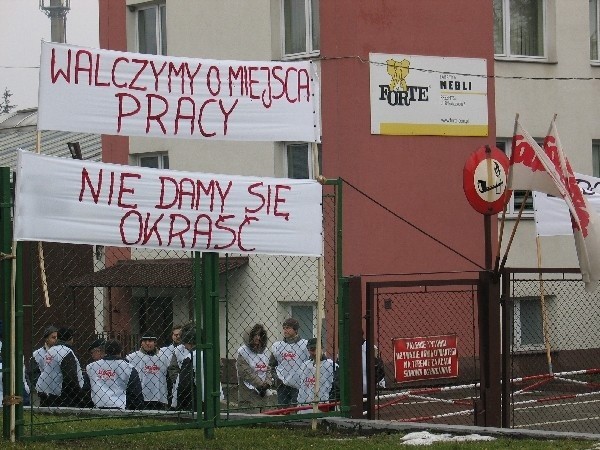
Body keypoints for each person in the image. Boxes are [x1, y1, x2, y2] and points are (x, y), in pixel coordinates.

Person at [172, 324, 224, 411]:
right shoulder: (210, 353)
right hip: (211, 395)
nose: (184, 346)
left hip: (194, 399)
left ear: (190, 342)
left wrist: (180, 404)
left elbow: (184, 384)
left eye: (185, 343)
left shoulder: (190, 358)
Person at [86, 339, 144, 410]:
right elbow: (135, 392)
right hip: (121, 407)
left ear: (105, 350)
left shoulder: (91, 367)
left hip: (98, 405)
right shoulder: (129, 368)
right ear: (120, 351)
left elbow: (86, 389)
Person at [35, 327, 85, 407]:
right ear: (71, 339)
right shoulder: (66, 352)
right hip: (64, 395)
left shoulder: (51, 351)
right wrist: (79, 394)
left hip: (50, 391)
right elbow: (70, 377)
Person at [291, 338, 338, 414]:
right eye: (311, 350)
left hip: (323, 407)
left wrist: (329, 404)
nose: (314, 352)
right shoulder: (304, 366)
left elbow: (337, 389)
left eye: (316, 349)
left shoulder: (331, 366)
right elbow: (299, 386)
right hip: (304, 407)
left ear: (321, 348)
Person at [269, 318, 309, 406]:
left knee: (297, 410)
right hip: (282, 384)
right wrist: (277, 378)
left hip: (299, 384)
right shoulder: (278, 346)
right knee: (283, 411)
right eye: (284, 328)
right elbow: (272, 365)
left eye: (288, 328)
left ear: (295, 329)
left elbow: (310, 364)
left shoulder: (305, 345)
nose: (285, 330)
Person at [126, 332, 169, 410]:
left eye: (150, 341)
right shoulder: (132, 357)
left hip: (159, 397)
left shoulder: (163, 357)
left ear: (155, 343)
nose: (147, 343)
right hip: (140, 397)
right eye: (144, 341)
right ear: (141, 343)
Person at [236, 323, 274, 413]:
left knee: (264, 414)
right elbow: (246, 372)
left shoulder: (264, 351)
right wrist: (260, 385)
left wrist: (267, 383)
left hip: (263, 391)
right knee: (250, 415)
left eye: (259, 335)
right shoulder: (243, 352)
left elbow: (268, 368)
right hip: (249, 391)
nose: (257, 338)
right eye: (254, 335)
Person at [29, 325, 58, 394]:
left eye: (58, 337)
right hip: (45, 391)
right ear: (46, 339)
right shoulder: (37, 354)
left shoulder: (61, 352)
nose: (56, 339)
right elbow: (34, 375)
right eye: (53, 337)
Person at [162, 324, 184, 406]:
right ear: (172, 336)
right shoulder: (164, 350)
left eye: (180, 335)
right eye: (175, 335)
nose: (178, 337)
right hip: (168, 379)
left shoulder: (186, 350)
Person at [82, 338, 106, 407]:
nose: (92, 356)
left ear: (98, 351)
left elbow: (86, 387)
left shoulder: (91, 367)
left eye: (92, 353)